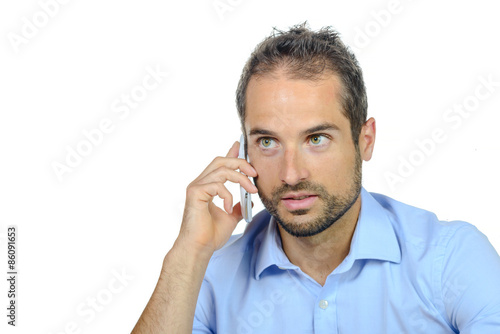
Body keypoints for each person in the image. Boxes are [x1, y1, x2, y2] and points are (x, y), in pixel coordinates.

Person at [132, 23, 500, 333]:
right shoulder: (207, 278)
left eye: (316, 139)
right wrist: (188, 253)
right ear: (244, 152)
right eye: (268, 142)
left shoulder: (449, 258)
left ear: (364, 140)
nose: (291, 174)